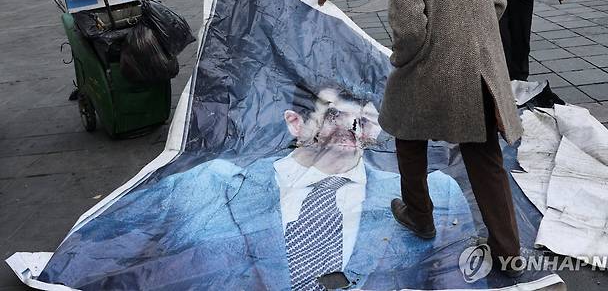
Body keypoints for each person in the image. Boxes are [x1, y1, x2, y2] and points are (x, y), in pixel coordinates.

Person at [39, 86, 473, 289]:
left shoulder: (434, 195)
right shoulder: (209, 184)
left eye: (361, 118)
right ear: (295, 122)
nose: (350, 127)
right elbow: (109, 248)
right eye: (334, 114)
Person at [377, 0, 524, 276]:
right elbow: (498, 1)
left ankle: (420, 215)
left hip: (432, 72)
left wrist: (402, 59)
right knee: (485, 157)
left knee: (406, 133)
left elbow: (410, 31)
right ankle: (508, 252)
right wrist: (468, 34)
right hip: (480, 72)